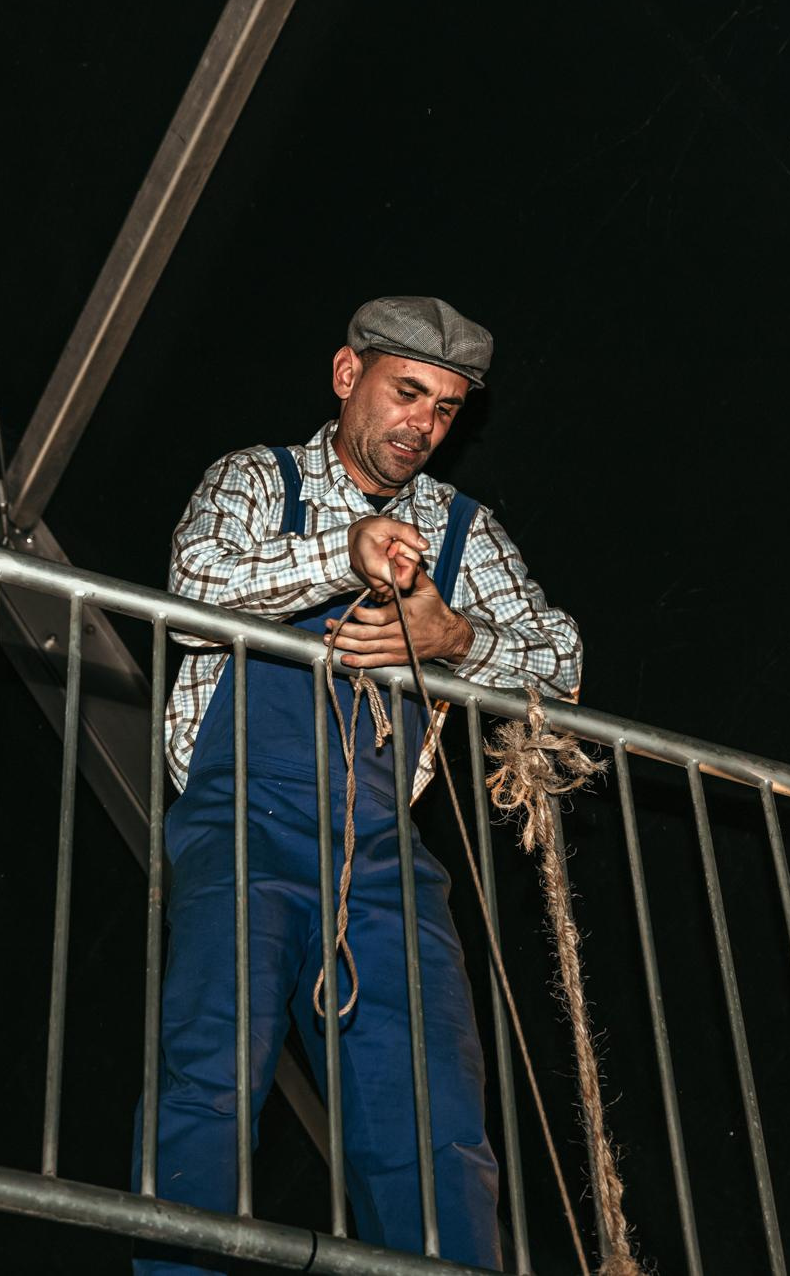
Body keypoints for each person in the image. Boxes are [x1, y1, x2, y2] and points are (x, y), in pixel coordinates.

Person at [135, 296, 582, 1272]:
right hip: (242, 818)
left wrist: (454, 637)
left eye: (446, 408)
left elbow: (563, 658)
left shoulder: (465, 533)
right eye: (406, 392)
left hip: (382, 853)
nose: (422, 425)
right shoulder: (256, 479)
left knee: (434, 1126)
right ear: (347, 377)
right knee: (207, 1077)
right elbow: (195, 588)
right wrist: (338, 553)